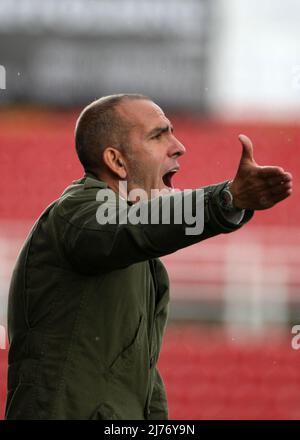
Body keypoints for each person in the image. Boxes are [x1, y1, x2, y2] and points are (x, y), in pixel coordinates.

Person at [5, 94, 292, 420]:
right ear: (117, 162)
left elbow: (140, 384)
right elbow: (135, 227)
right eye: (158, 135)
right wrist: (226, 200)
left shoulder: (143, 263)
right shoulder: (76, 213)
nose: (179, 146)